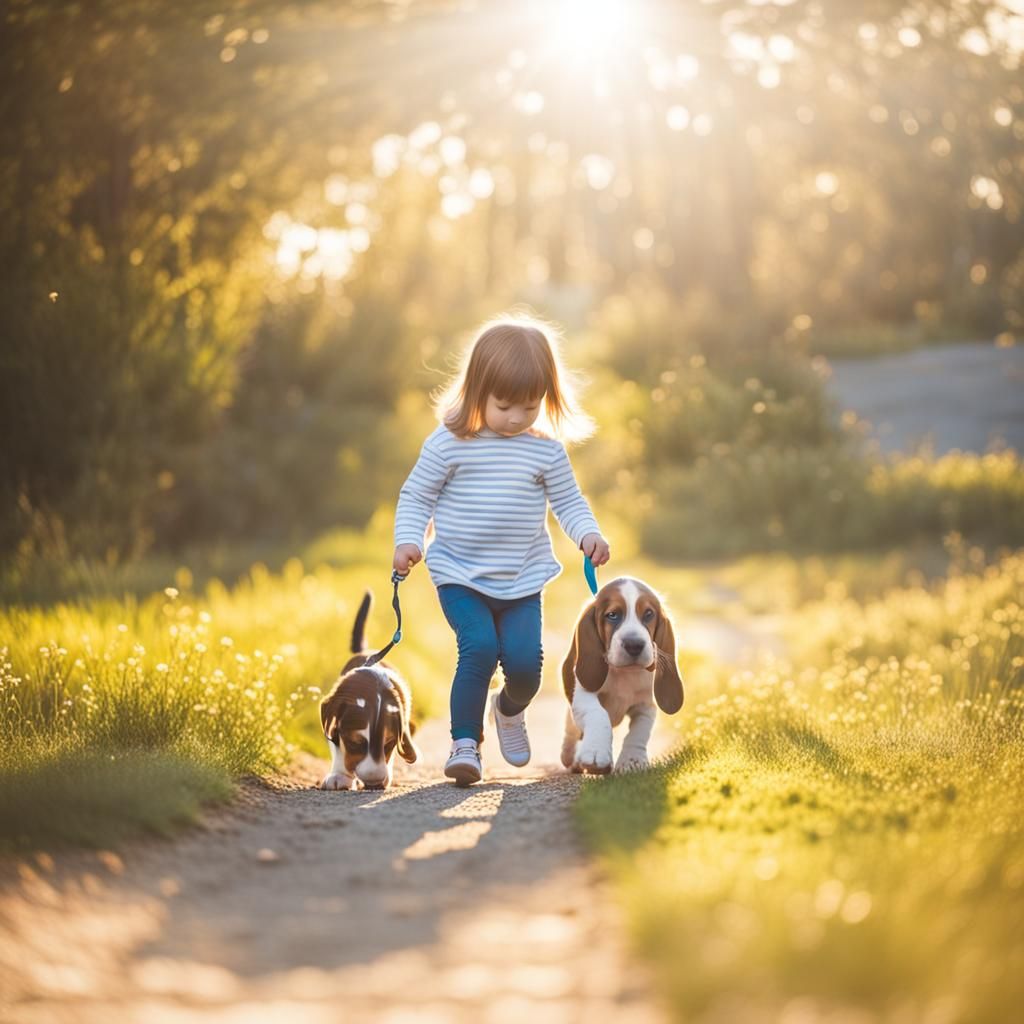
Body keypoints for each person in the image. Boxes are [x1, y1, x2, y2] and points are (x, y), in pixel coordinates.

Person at [392, 314, 611, 786]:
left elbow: (569, 502)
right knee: (479, 648)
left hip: (521, 579)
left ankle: (508, 711)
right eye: (505, 405)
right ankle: (465, 743)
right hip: (459, 576)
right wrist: (409, 540)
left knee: (525, 666)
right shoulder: (449, 442)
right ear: (477, 391)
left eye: (530, 407)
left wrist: (587, 535)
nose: (516, 417)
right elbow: (416, 496)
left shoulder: (545, 451)